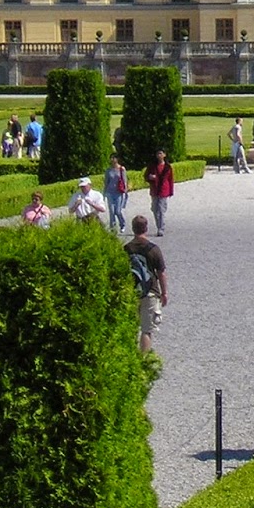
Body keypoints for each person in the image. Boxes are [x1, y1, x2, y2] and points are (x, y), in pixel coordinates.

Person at [128, 215, 167, 354]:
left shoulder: (126, 249)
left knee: (131, 327)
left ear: (133, 229)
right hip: (150, 291)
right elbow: (161, 273)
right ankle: (144, 359)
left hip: (131, 292)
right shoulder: (153, 249)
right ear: (146, 228)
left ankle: (129, 355)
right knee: (146, 330)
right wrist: (164, 293)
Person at [145, 149, 175, 236]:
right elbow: (146, 175)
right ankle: (159, 225)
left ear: (164, 155)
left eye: (161, 153)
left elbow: (171, 180)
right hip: (154, 190)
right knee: (154, 209)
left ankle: (161, 228)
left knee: (161, 210)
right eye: (157, 153)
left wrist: (171, 191)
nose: (159, 155)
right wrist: (150, 177)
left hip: (163, 190)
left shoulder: (167, 167)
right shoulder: (152, 166)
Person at [103, 154, 129, 232]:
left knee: (118, 211)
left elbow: (125, 181)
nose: (112, 160)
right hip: (110, 192)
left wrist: (125, 191)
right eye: (111, 158)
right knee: (111, 211)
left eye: (114, 158)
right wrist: (104, 193)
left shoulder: (121, 169)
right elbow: (106, 182)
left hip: (118, 193)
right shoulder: (108, 170)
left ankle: (122, 224)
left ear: (117, 159)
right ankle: (113, 227)